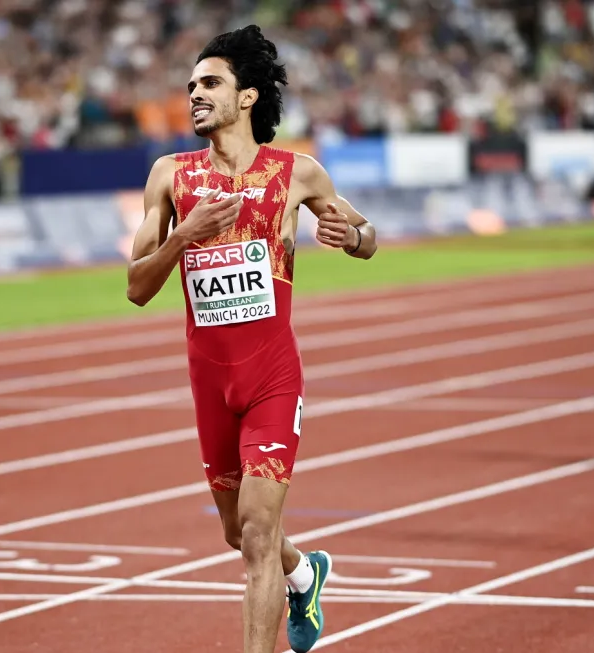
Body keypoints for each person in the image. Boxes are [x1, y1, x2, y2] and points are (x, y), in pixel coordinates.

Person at [125, 24, 378, 653]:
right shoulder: (169, 176)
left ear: (248, 97)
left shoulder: (297, 173)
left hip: (270, 377)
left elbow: (368, 232)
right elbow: (135, 286)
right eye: (191, 86)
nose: (195, 95)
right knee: (239, 533)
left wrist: (355, 240)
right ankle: (305, 573)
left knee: (258, 535)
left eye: (210, 83)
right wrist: (184, 237)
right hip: (210, 383)